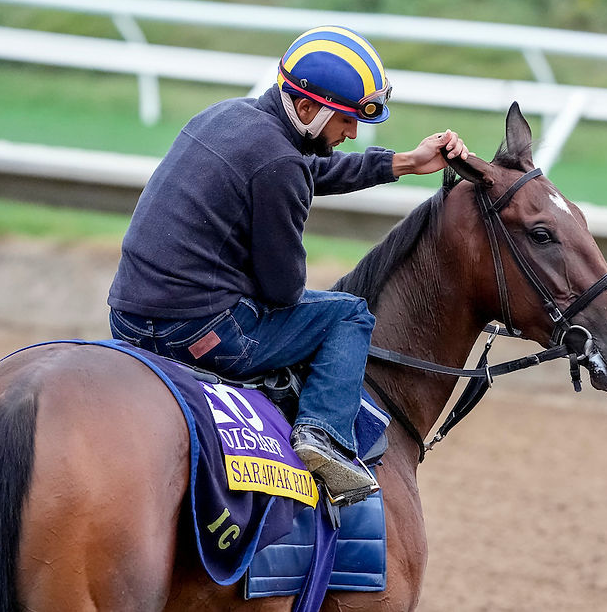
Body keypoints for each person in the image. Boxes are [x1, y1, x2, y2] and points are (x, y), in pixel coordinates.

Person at [107, 25, 468, 503]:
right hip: (195, 332)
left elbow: (303, 169)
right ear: (307, 109)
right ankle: (324, 437)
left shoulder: (226, 115)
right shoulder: (280, 164)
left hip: (127, 318)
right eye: (346, 120)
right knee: (349, 313)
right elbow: (283, 291)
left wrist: (402, 163)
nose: (351, 134)